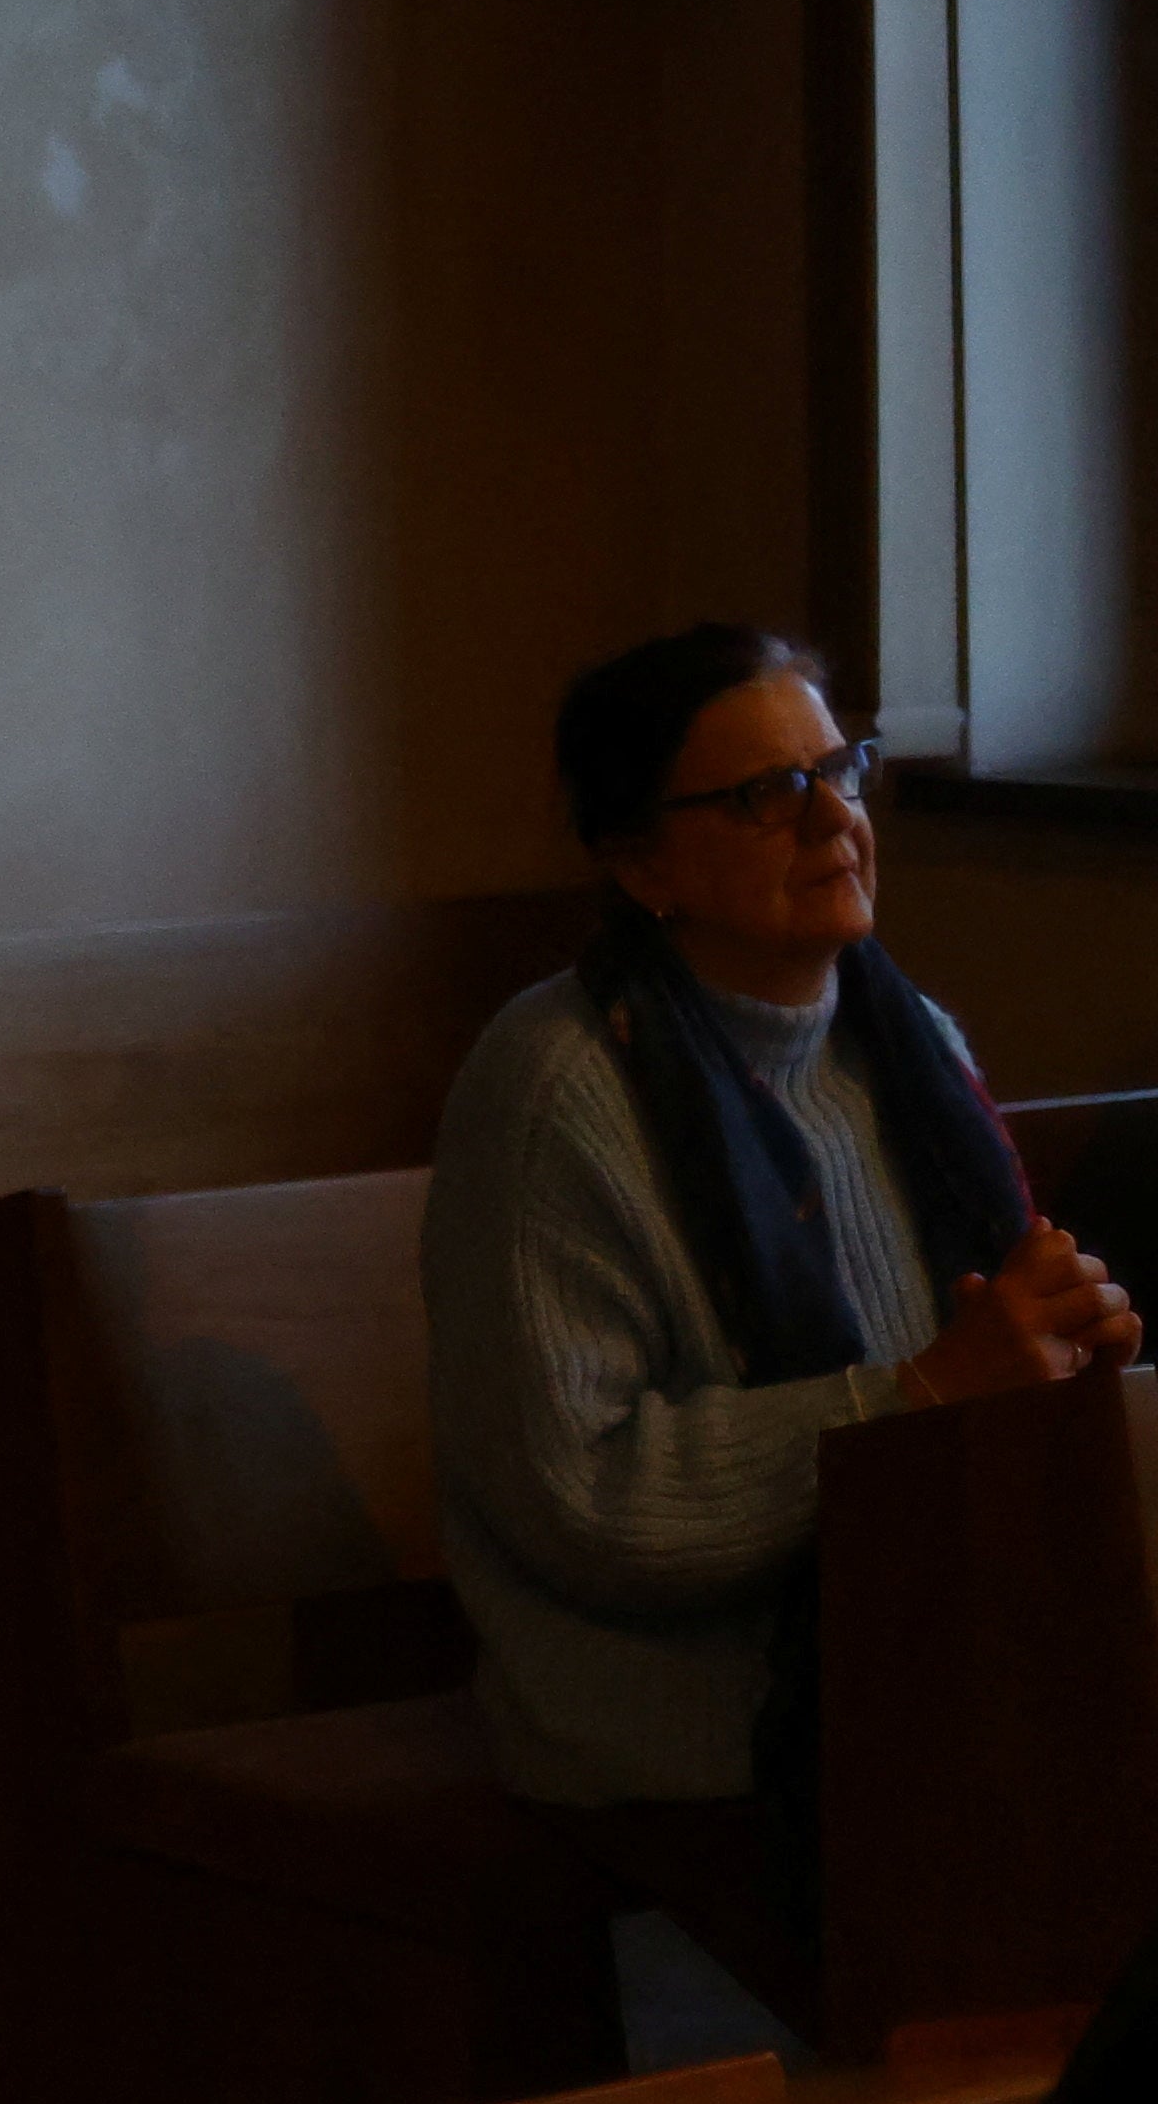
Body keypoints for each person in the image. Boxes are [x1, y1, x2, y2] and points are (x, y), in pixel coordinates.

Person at [424, 624, 1137, 2017]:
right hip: (691, 1705)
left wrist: (1071, 1358)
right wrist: (925, 1397)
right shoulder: (559, 1090)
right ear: (641, 865)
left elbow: (986, 1366)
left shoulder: (907, 1037)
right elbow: (583, 1500)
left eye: (840, 770)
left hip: (924, 1655)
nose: (831, 818)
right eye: (763, 795)